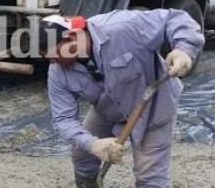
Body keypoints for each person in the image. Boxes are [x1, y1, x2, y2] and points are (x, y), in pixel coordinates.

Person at [38, 10, 204, 188]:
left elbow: (175, 18)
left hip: (153, 108)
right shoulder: (58, 73)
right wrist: (93, 144)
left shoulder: (122, 28)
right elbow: (63, 119)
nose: (53, 63)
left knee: (149, 176)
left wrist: (184, 50)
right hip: (108, 109)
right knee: (82, 153)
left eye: (55, 56)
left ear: (70, 39)